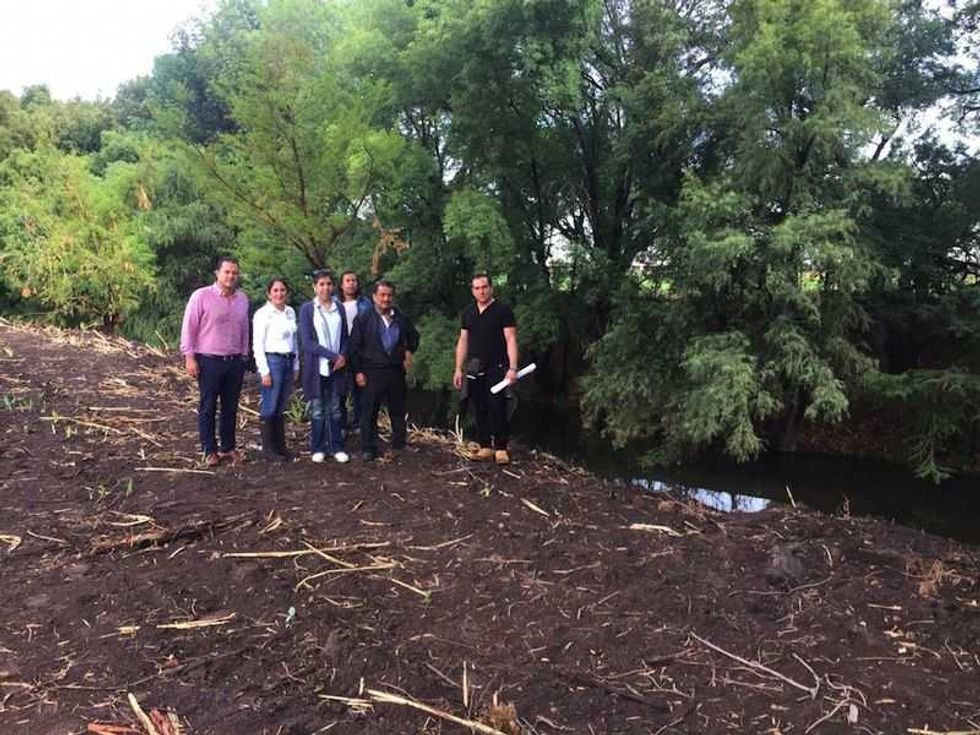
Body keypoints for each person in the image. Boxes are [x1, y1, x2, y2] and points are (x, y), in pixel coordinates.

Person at [180, 256, 251, 467]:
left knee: (230, 407)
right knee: (208, 406)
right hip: (209, 361)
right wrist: (189, 357)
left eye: (234, 273)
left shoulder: (242, 299)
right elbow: (189, 327)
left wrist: (244, 354)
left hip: (234, 361)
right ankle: (209, 450)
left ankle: (228, 448)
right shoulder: (201, 296)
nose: (231, 276)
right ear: (217, 273)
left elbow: (245, 328)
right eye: (227, 272)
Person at [348, 279, 419, 461]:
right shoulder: (363, 318)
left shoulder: (401, 318)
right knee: (369, 412)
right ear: (374, 297)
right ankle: (369, 448)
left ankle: (399, 444)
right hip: (371, 372)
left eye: (389, 295)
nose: (386, 299)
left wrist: (409, 351)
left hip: (395, 371)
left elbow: (414, 336)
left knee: (398, 410)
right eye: (382, 295)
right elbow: (354, 347)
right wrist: (358, 372)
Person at [453, 273, 519, 465]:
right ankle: (485, 446)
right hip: (474, 367)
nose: (481, 291)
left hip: (498, 367)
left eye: (484, 287)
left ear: (491, 288)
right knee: (479, 407)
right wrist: (458, 368)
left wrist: (513, 367)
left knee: (497, 407)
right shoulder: (468, 312)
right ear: (472, 291)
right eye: (477, 288)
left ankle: (500, 448)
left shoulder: (503, 311)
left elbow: (511, 339)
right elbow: (463, 340)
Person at [299, 270, 350, 463]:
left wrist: (343, 356)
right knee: (318, 408)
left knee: (336, 407)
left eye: (328, 284)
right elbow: (308, 342)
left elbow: (345, 336)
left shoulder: (339, 308)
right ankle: (318, 448)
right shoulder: (308, 309)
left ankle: (337, 447)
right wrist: (333, 356)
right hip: (317, 367)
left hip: (338, 368)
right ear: (314, 287)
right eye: (321, 284)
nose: (325, 288)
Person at [252, 277, 299, 462]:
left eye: (282, 290)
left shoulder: (290, 312)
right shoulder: (263, 314)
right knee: (270, 405)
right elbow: (257, 344)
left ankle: (281, 447)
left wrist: (296, 365)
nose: (279, 294)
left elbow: (294, 341)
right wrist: (264, 371)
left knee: (280, 406)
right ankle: (269, 450)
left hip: (288, 361)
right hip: (273, 361)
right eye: (275, 291)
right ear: (269, 293)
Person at [336, 270, 373, 433]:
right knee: (341, 390)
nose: (351, 283)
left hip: (361, 350)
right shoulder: (335, 303)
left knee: (361, 389)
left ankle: (360, 423)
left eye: (354, 281)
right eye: (348, 281)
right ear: (341, 285)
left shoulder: (366, 303)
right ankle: (342, 424)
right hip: (341, 351)